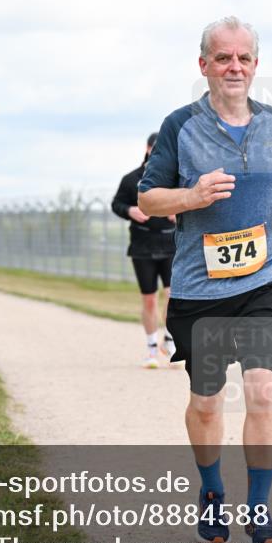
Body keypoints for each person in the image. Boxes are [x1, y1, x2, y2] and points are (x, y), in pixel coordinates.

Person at [137, 16, 272, 543]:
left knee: (263, 389)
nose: (235, 67)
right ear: (204, 64)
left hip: (264, 280)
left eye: (244, 58)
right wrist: (192, 196)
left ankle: (259, 513)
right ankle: (212, 492)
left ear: (256, 65)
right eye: (224, 57)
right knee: (208, 404)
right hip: (200, 289)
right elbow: (148, 199)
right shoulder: (180, 126)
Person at [112, 132, 179, 368]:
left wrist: (179, 211)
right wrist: (129, 210)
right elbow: (117, 204)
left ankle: (169, 341)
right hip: (142, 246)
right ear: (148, 149)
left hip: (170, 243)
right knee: (149, 300)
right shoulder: (131, 179)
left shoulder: (175, 178)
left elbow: (191, 201)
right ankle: (151, 348)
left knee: (173, 296)